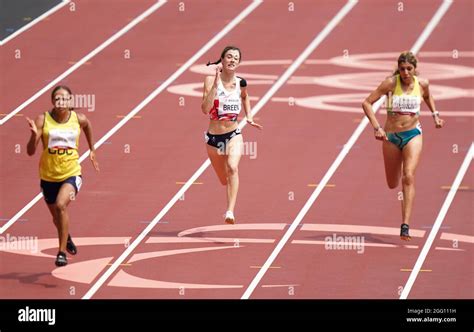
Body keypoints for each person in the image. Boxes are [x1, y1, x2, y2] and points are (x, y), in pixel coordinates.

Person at [362, 51, 444, 241]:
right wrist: (377, 127)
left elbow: (427, 97)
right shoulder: (391, 83)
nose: (405, 73)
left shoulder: (422, 84)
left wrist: (435, 115)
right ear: (398, 70)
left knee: (408, 176)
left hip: (413, 134)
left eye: (409, 69)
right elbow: (366, 103)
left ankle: (405, 225)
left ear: (415, 69)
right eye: (402, 69)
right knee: (392, 183)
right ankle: (397, 164)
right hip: (391, 137)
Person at [26, 85, 99, 266]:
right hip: (48, 177)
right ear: (52, 101)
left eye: (65, 99)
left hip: (71, 174)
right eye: (57, 99)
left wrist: (92, 149)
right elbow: (29, 152)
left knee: (60, 206)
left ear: (70, 101)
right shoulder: (43, 120)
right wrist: (33, 135)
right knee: (56, 217)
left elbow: (87, 125)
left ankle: (61, 253)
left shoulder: (78, 118)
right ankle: (66, 237)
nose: (61, 102)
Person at [201, 46, 262, 224]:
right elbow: (205, 109)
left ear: (239, 62)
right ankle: (228, 191)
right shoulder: (209, 80)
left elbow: (245, 96)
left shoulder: (241, 82)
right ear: (222, 59)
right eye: (229, 56)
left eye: (236, 58)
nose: (232, 60)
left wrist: (249, 116)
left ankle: (230, 212)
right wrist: (214, 85)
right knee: (223, 179)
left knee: (233, 168)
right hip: (213, 140)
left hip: (233, 134)